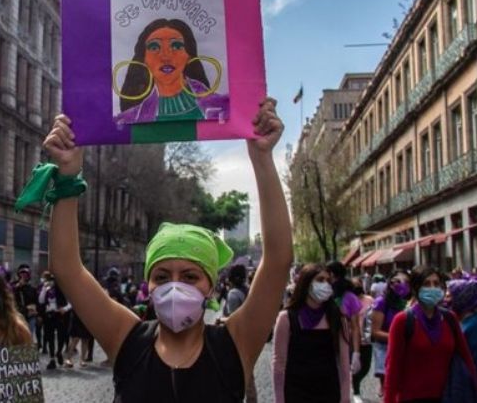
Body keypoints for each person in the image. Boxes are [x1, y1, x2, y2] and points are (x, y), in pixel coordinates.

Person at [29, 98, 290, 401]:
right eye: (162, 277)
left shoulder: (235, 342)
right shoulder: (126, 338)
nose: (175, 287)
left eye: (190, 277)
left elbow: (278, 260)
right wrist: (67, 175)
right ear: (149, 285)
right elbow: (66, 269)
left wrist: (262, 158)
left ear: (211, 285)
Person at [383, 265, 477, 403]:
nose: (432, 288)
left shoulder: (450, 319)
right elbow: (392, 368)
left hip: (448, 396)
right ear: (416, 288)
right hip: (411, 398)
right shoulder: (402, 321)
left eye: (436, 283)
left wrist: (475, 392)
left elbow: (467, 358)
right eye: (426, 284)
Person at [114, 18, 228, 124]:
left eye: (176, 46)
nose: (166, 57)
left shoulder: (225, 107)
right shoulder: (127, 120)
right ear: (143, 59)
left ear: (189, 56)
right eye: (154, 47)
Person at [272, 264, 351, 402]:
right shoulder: (286, 318)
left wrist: (345, 397)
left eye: (328, 281)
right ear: (306, 283)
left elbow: (344, 363)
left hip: (329, 392)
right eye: (320, 280)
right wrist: (279, 399)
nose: (325, 284)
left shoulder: (337, 317)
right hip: (296, 392)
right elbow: (279, 364)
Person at [370, 269, 410, 397]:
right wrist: (399, 338)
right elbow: (375, 332)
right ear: (390, 283)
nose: (402, 285)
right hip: (385, 350)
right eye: (398, 281)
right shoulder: (381, 302)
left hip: (406, 351)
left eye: (406, 282)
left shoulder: (410, 303)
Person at [326, 261, 362, 376]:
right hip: (326, 344)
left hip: (342, 344)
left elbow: (355, 327)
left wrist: (356, 353)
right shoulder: (324, 295)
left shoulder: (348, 297)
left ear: (331, 274)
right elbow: (355, 327)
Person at [39, 271, 69, 369]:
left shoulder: (62, 289)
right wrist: (44, 288)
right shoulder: (45, 289)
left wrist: (65, 309)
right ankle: (52, 359)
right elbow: (41, 300)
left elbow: (71, 302)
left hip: (59, 314)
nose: (50, 282)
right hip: (49, 315)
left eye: (51, 280)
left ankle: (59, 352)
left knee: (61, 336)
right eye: (48, 280)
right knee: (49, 337)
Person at [351, 277, 374, 403]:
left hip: (367, 338)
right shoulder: (349, 301)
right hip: (354, 339)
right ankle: (356, 391)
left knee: (366, 366)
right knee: (356, 366)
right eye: (354, 285)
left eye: (358, 284)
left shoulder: (369, 300)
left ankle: (354, 381)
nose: (357, 287)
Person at [13, 264, 38, 337]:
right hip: (18, 315)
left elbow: (35, 301)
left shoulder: (32, 288)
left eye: (26, 273)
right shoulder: (14, 286)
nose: (24, 275)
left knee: (28, 335)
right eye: (22, 273)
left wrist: (35, 310)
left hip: (30, 315)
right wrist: (17, 287)